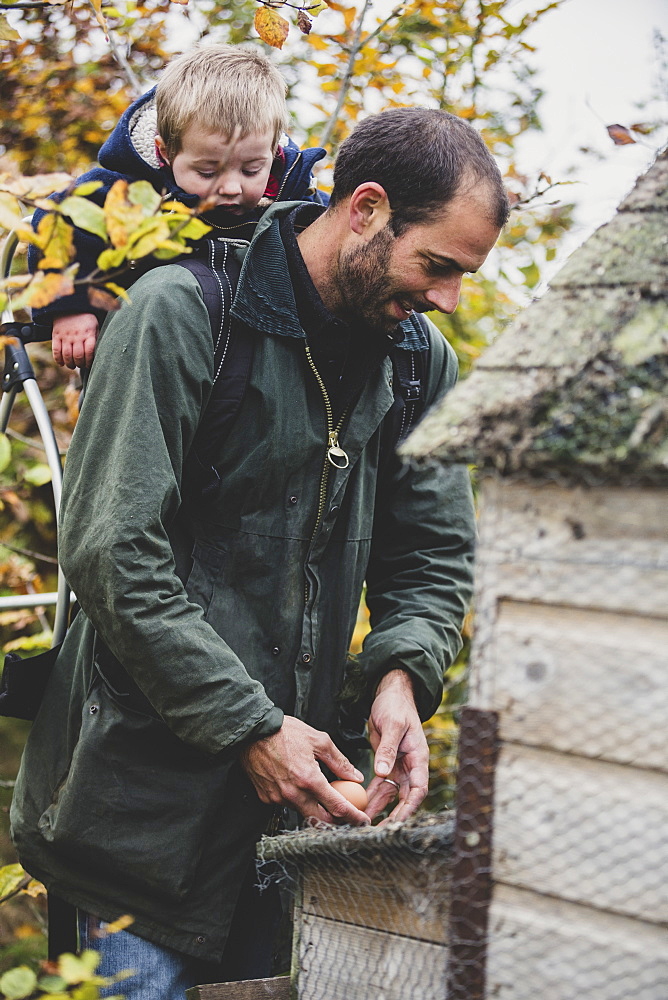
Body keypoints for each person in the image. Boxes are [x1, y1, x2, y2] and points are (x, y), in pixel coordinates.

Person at [11, 106, 509, 998]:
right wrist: (250, 725)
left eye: (463, 277)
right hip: (134, 822)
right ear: (364, 208)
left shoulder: (416, 362)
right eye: (436, 265)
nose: (446, 298)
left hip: (290, 836)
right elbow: (114, 557)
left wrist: (403, 675)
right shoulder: (181, 312)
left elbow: (433, 557)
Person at [28, 43, 327, 369]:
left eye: (251, 169)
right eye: (207, 172)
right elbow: (59, 221)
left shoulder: (295, 195)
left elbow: (337, 234)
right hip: (143, 355)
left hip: (251, 360)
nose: (230, 188)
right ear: (166, 152)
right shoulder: (133, 192)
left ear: (273, 151)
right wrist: (72, 306)